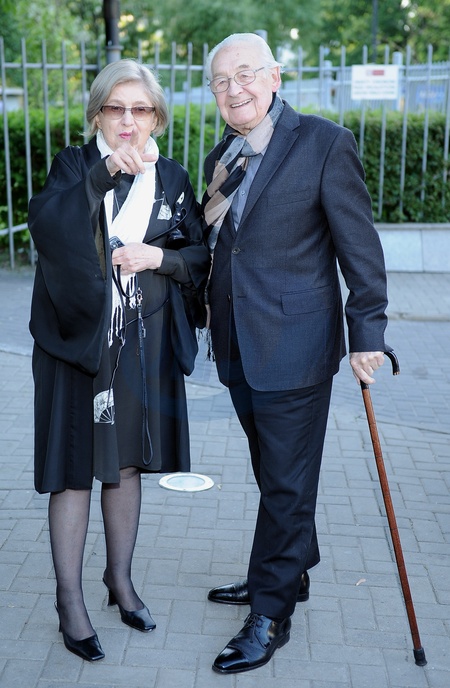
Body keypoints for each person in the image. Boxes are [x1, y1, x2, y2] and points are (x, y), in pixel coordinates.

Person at [201, 33, 391, 675]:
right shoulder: (221, 155)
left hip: (297, 344)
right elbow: (221, 246)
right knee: (274, 470)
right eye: (222, 81)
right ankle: (289, 569)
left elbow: (359, 246)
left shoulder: (324, 142)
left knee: (286, 481)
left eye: (246, 74)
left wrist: (368, 331)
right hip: (236, 341)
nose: (235, 90)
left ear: (275, 76)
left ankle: (271, 610)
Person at [28, 59, 210, 662]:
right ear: (98, 115)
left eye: (140, 109)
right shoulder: (74, 165)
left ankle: (120, 580)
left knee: (126, 464)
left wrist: (160, 260)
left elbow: (199, 253)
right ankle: (69, 600)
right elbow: (48, 224)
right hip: (77, 345)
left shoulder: (173, 177)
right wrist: (106, 172)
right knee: (74, 468)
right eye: (115, 108)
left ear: (156, 116)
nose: (128, 120)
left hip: (142, 344)